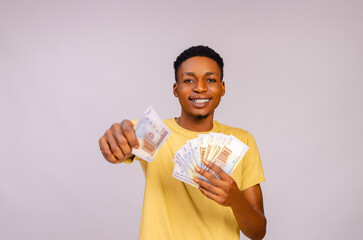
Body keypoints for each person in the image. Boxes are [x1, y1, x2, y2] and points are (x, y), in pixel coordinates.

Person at [99, 45, 267, 240]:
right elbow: (121, 140)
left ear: (222, 88)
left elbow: (258, 232)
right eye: (189, 80)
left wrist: (235, 199)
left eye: (210, 79)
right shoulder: (154, 133)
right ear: (176, 89)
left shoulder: (242, 140)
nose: (200, 87)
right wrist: (114, 141)